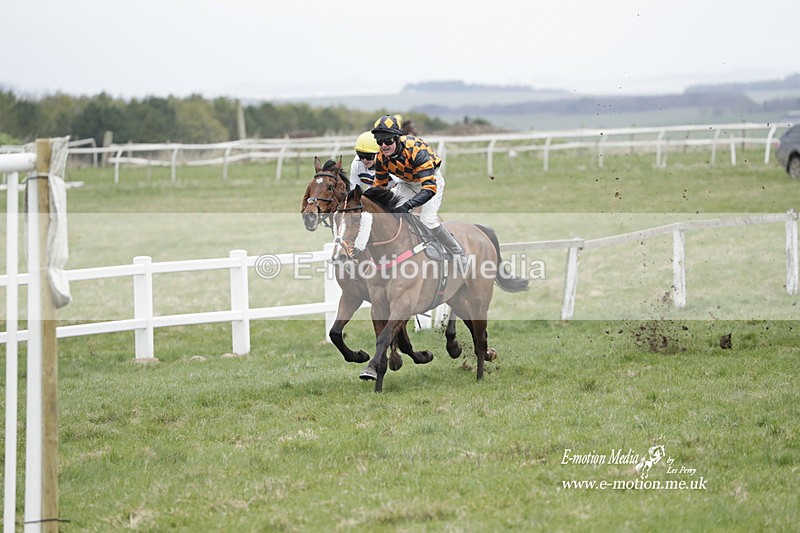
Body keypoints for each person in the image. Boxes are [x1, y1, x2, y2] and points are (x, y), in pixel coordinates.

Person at [370, 114, 468, 270]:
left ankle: (458, 253)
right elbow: (379, 187)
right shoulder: (380, 158)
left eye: (387, 140)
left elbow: (429, 189)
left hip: (430, 181)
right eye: (379, 141)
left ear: (397, 138)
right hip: (407, 183)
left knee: (428, 220)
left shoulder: (416, 149)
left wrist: (408, 205)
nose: (383, 145)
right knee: (391, 215)